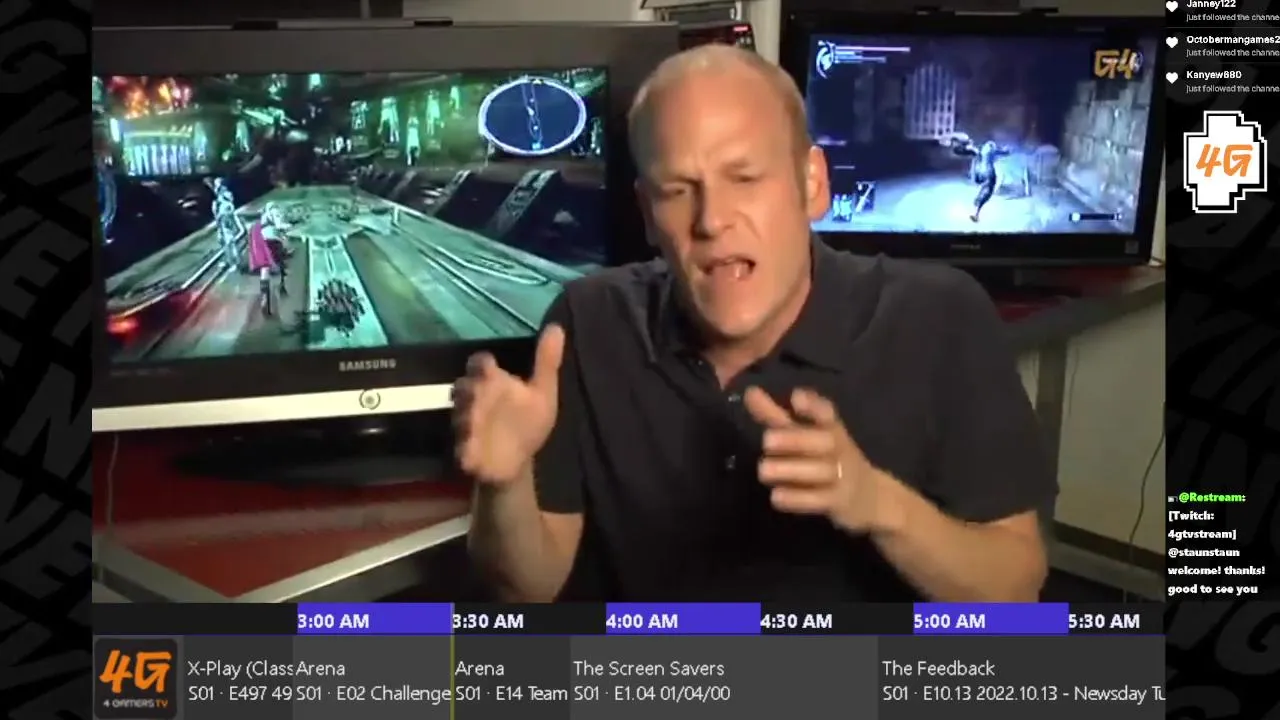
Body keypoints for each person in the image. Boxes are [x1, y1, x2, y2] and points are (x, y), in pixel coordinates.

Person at [453, 45, 1055, 602]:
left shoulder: (939, 317)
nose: (712, 220)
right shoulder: (587, 323)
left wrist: (881, 505)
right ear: (647, 214)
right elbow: (528, 589)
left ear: (812, 184)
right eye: (677, 190)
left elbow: (1014, 588)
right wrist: (505, 486)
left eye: (744, 178)